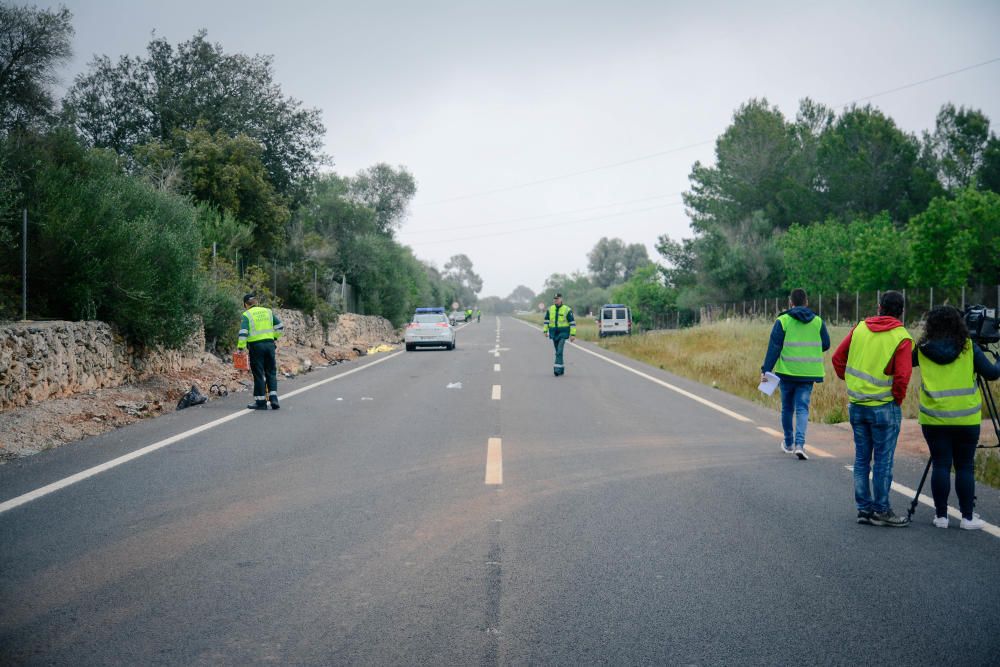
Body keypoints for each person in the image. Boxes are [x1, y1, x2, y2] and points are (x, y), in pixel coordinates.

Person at [913, 306, 1000, 530]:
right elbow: (991, 373)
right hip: (966, 418)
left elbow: (903, 362)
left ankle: (941, 517)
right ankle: (967, 518)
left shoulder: (922, 349)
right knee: (964, 466)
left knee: (941, 464)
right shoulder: (968, 347)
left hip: (934, 418)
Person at [833, 290, 912, 527]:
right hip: (884, 407)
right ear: (901, 311)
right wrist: (897, 399)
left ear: (879, 307)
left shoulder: (859, 328)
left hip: (857, 405)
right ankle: (881, 510)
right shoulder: (902, 336)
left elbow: (837, 358)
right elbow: (903, 376)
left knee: (861, 460)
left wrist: (852, 383)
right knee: (883, 462)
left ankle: (864, 509)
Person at [760, 288, 831, 460]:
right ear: (806, 302)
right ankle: (800, 444)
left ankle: (789, 442)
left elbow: (774, 347)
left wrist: (766, 370)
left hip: (787, 373)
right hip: (808, 374)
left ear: (791, 303)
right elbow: (826, 344)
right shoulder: (817, 321)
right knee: (802, 408)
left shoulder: (783, 320)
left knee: (787, 408)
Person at [237, 293, 284, 410]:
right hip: (269, 345)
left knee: (258, 373)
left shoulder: (247, 314)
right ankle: (274, 399)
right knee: (271, 372)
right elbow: (280, 326)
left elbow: (243, 332)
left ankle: (261, 402)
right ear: (256, 302)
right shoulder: (267, 311)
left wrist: (240, 348)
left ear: (245, 304)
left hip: (256, 347)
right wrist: (274, 338)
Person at [542, 293, 576, 376]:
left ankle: (557, 370)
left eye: (557, 299)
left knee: (559, 350)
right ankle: (561, 369)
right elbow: (546, 320)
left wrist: (572, 334)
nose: (555, 300)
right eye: (554, 299)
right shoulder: (550, 309)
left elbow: (572, 323)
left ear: (561, 299)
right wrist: (545, 331)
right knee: (558, 351)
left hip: (563, 333)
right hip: (554, 333)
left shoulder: (567, 309)